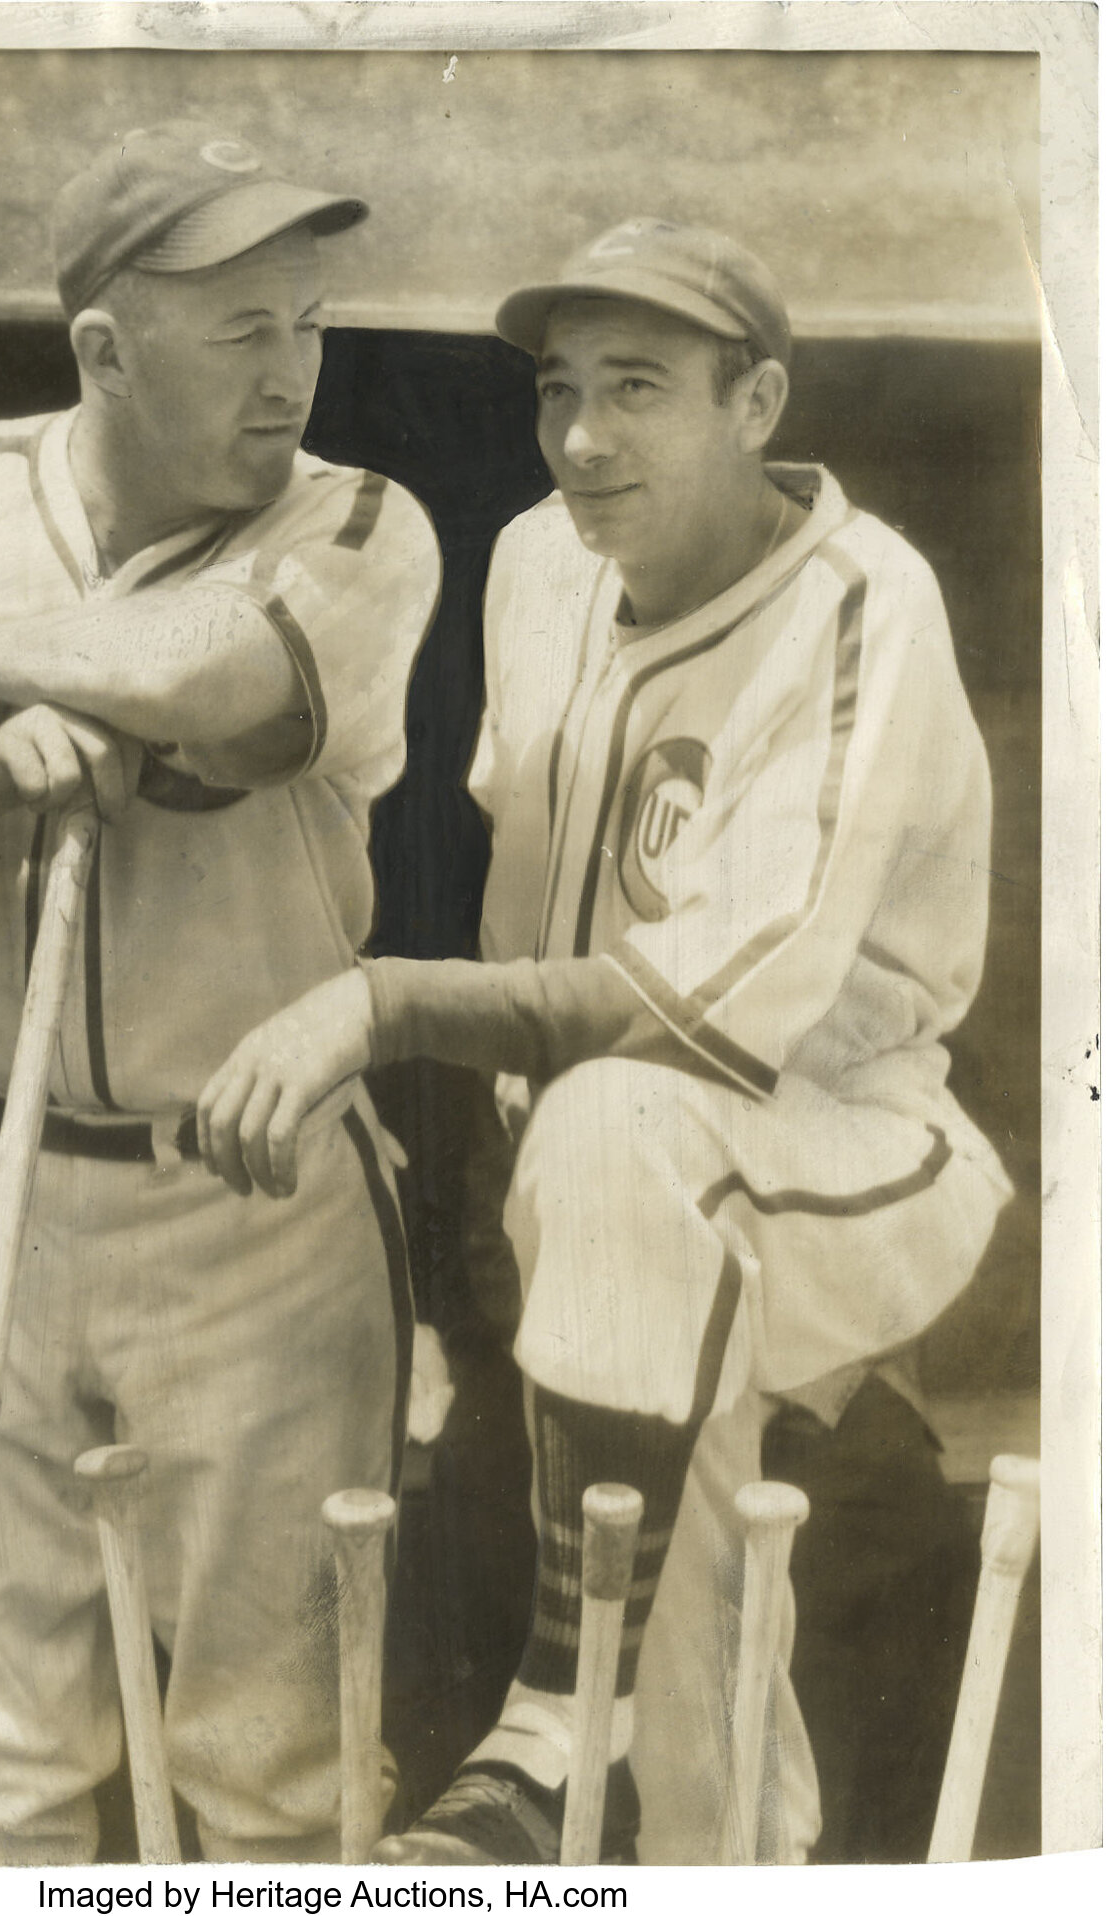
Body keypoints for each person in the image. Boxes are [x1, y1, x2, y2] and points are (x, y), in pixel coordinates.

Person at [195, 217, 1013, 1864]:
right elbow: (534, 915)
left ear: (756, 401)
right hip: (612, 1199)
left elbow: (712, 1015)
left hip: (845, 1143)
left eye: (634, 388)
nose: (577, 438)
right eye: (555, 389)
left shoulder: (862, 602)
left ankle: (550, 1718)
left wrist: (381, 997)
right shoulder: (536, 566)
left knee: (620, 1134)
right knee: (685, 1596)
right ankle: (689, 1824)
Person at [0, 123, 442, 1865]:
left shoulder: (358, 518)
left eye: (308, 324)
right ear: (101, 350)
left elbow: (222, 680)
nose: (292, 376)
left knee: (269, 1773)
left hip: (244, 1206)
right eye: (241, 331)